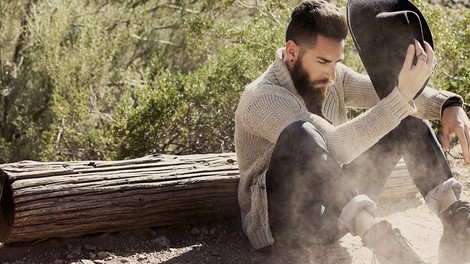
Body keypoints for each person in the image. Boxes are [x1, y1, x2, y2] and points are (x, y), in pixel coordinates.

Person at [234, 0, 470, 263]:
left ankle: (457, 227)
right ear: (292, 52)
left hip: (337, 212)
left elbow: (388, 93)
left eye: (337, 62)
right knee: (300, 132)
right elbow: (332, 146)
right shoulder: (263, 97)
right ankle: (381, 240)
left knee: (408, 121)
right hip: (284, 227)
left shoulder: (332, 76)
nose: (333, 74)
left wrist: (447, 104)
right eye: (324, 61)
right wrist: (402, 96)